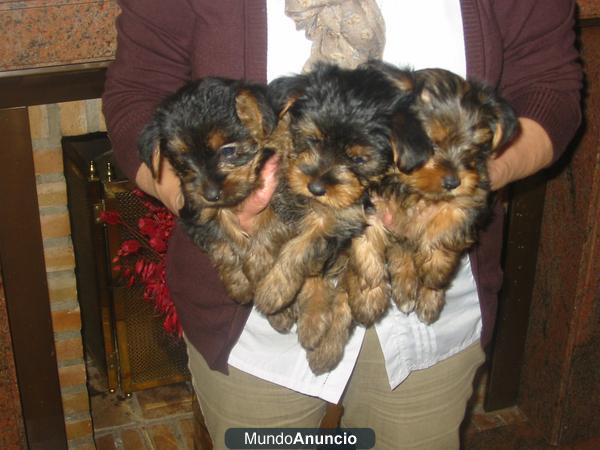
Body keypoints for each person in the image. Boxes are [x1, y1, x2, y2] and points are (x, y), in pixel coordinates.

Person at [102, 1, 582, 448]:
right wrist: (206, 199)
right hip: (251, 309)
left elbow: (550, 90)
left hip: (428, 304)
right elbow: (136, 96)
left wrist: (457, 184)